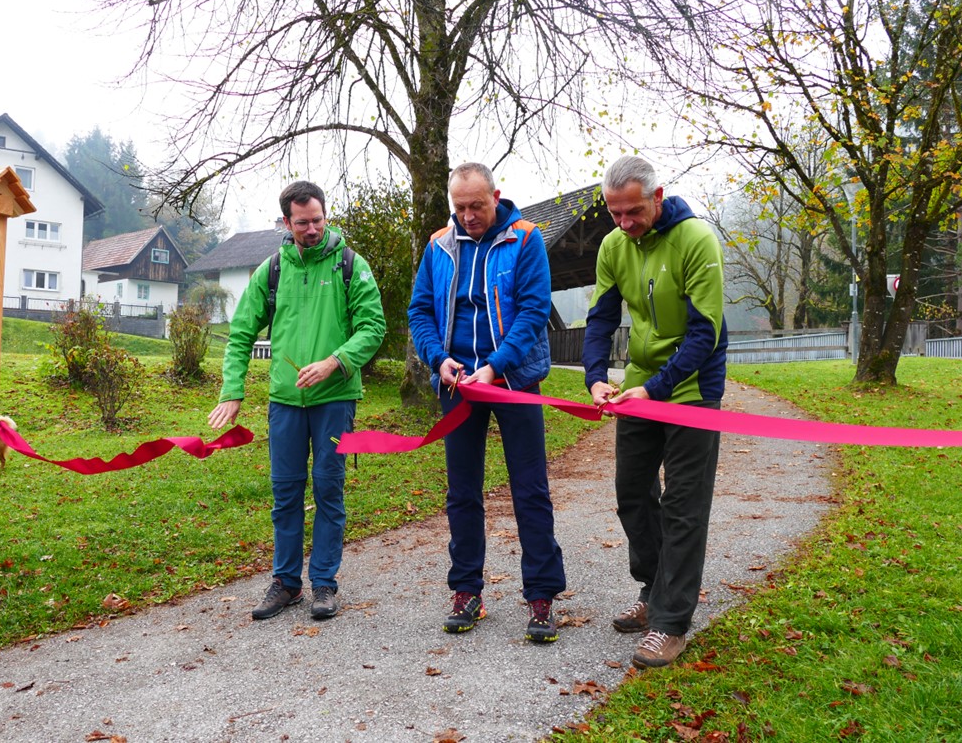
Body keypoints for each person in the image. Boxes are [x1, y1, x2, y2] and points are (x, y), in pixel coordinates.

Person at [208, 181, 385, 621]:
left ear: (326, 216)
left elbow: (373, 328)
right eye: (302, 222)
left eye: (318, 220)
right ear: (286, 222)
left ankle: (324, 584)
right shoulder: (271, 270)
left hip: (335, 400)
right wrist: (233, 391)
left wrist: (334, 362)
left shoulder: (350, 265)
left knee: (329, 489)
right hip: (285, 403)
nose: (311, 229)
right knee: (285, 495)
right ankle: (286, 583)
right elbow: (241, 334)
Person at [408, 162, 566, 643]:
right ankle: (466, 590)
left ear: (496, 196)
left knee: (529, 488)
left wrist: (496, 365)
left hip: (512, 380)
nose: (468, 215)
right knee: (462, 492)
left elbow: (536, 310)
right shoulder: (439, 245)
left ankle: (541, 596)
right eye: (459, 207)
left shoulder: (525, 238)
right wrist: (438, 360)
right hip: (457, 386)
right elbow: (420, 310)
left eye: (477, 205)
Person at [581, 155, 728, 669]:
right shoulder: (613, 246)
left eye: (634, 212)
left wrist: (658, 389)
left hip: (692, 388)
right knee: (633, 494)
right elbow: (600, 318)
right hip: (639, 389)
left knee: (685, 507)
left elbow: (704, 333)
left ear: (657, 196)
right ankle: (654, 588)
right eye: (614, 213)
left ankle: (670, 623)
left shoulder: (696, 241)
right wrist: (597, 377)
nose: (624, 222)